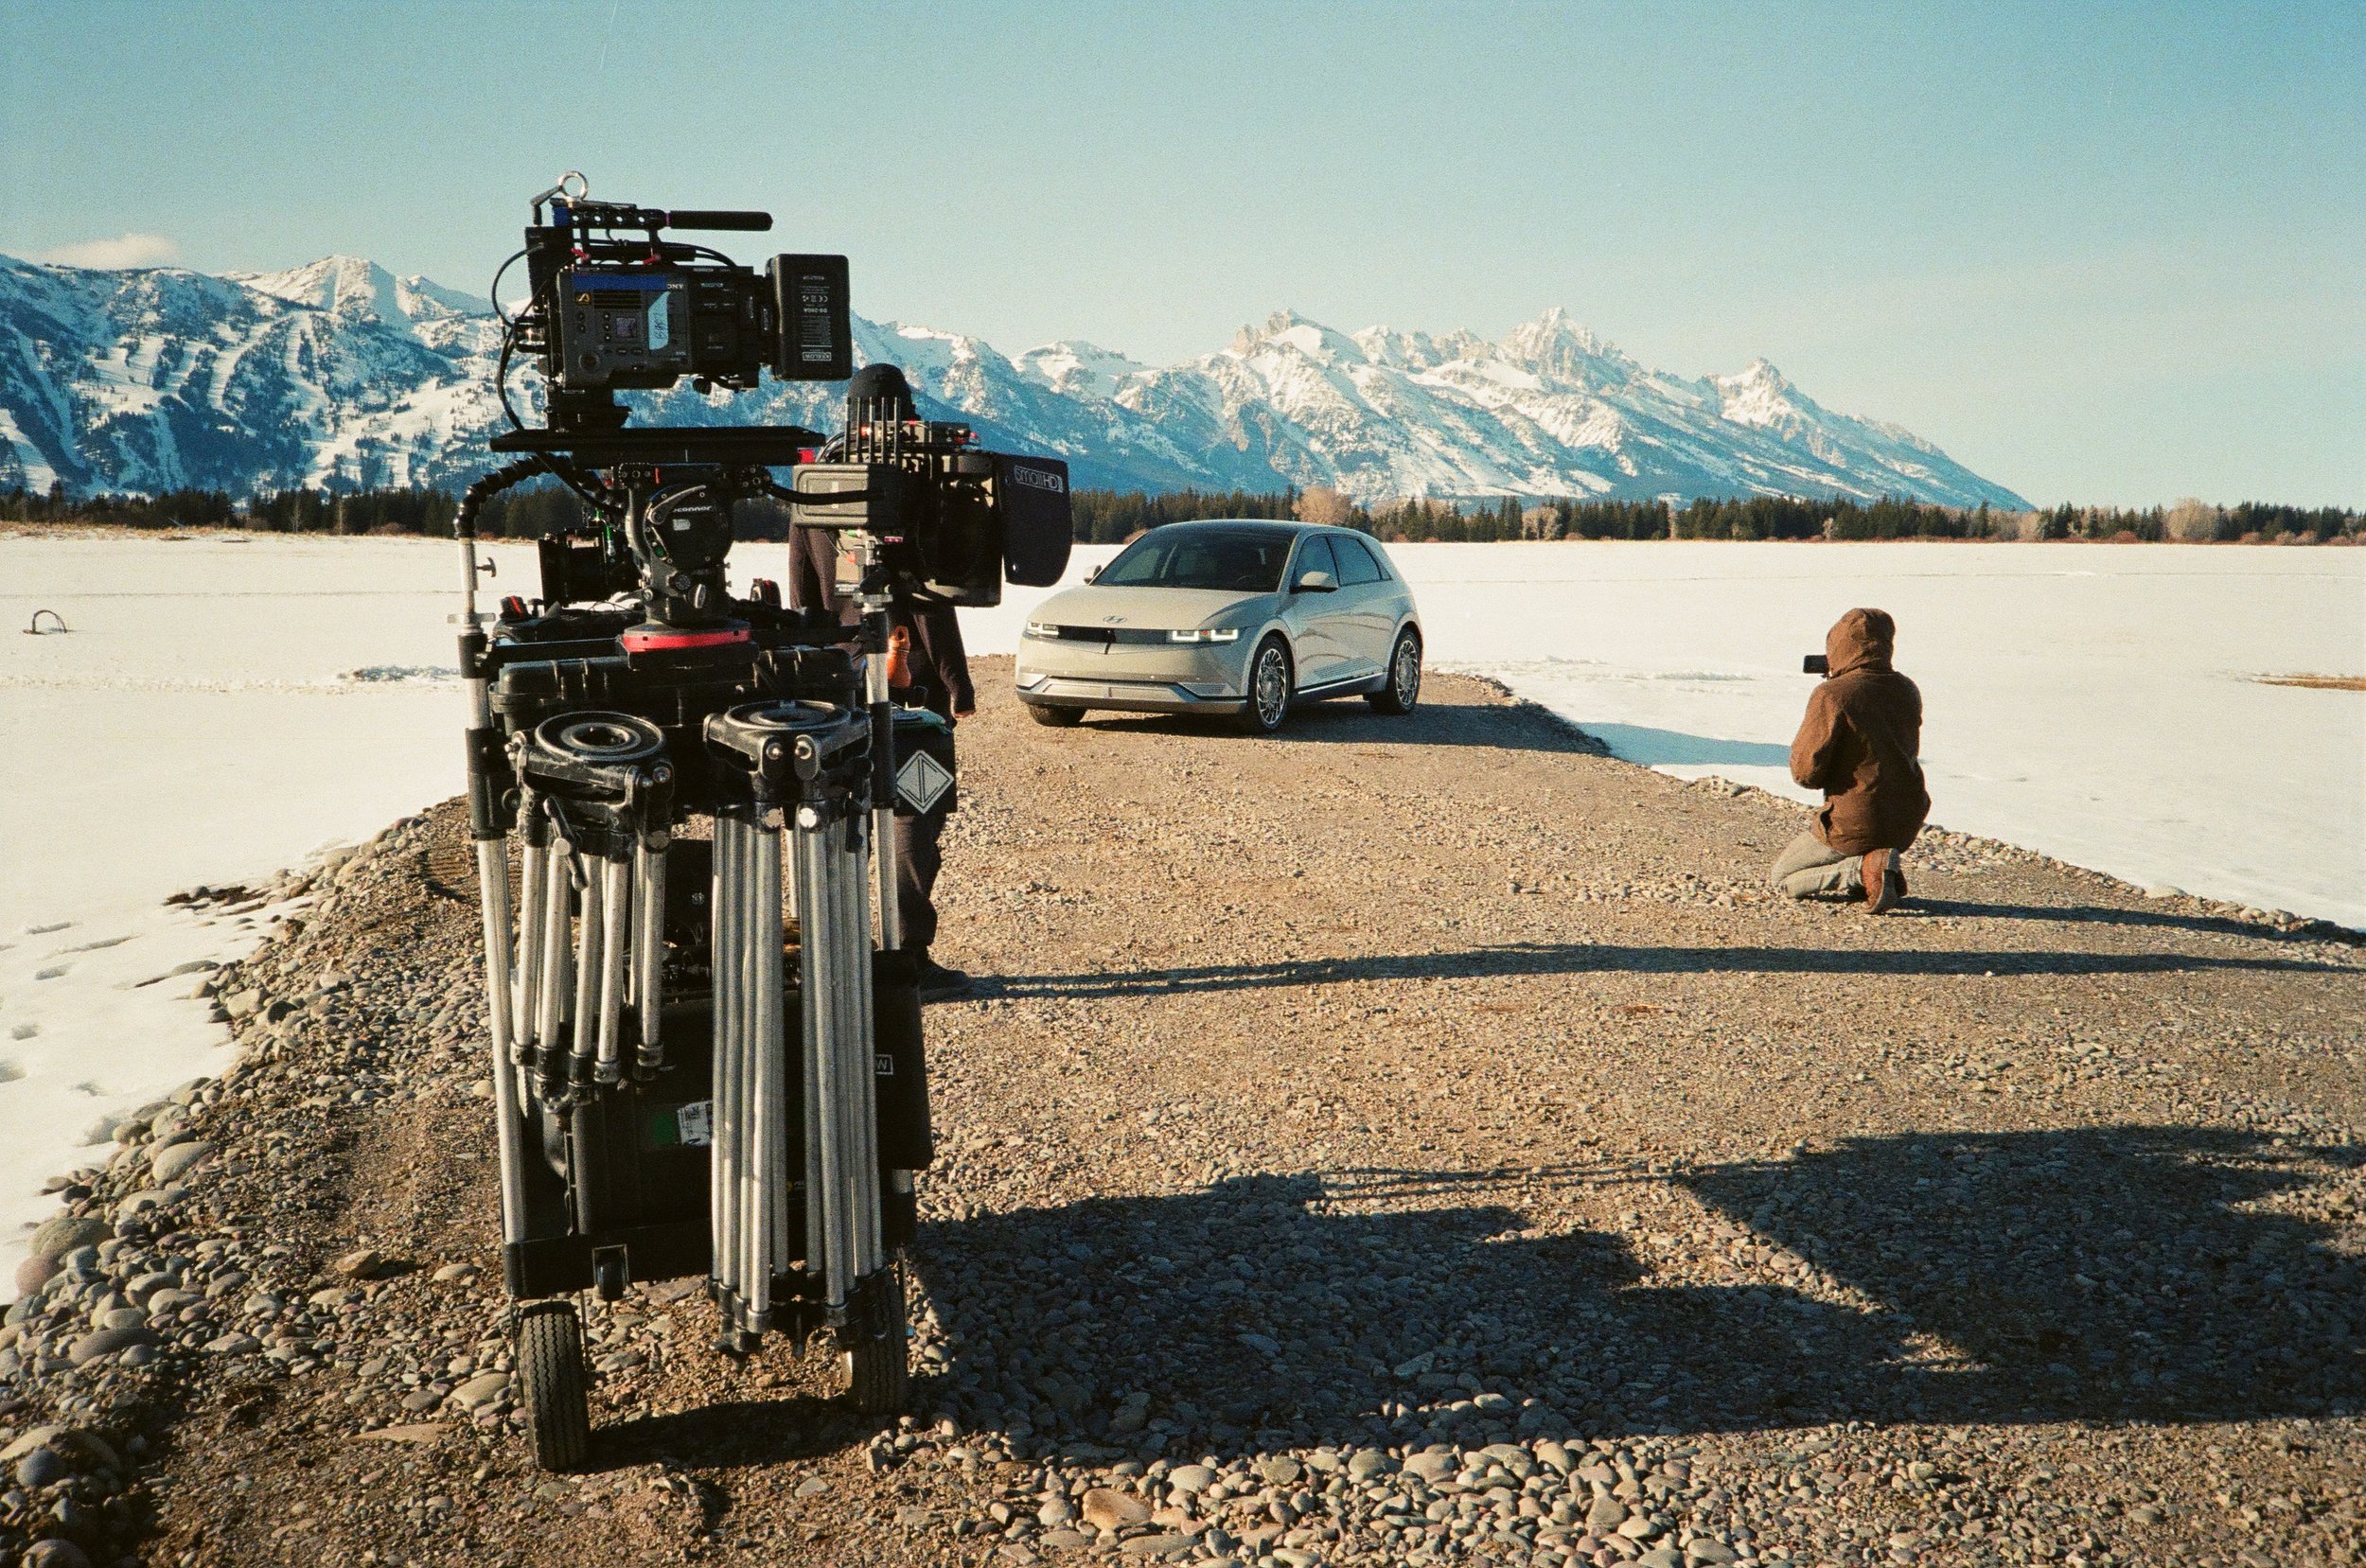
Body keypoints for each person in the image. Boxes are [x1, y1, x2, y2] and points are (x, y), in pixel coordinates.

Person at [788, 362, 977, 999]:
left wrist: (811, 675)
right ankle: (907, 960)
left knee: (842, 826)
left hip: (840, 688)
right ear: (904, 414)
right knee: (914, 825)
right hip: (913, 699)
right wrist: (958, 683)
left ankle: (836, 961)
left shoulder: (815, 486)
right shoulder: (915, 484)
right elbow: (933, 603)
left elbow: (806, 597)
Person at [1769, 607, 1929, 914]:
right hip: (1907, 818)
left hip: (1854, 822)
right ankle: (1882, 872)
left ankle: (1862, 871)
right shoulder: (1908, 689)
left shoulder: (1832, 695)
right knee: (1864, 832)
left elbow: (1806, 774)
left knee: (1783, 878)